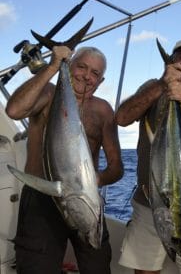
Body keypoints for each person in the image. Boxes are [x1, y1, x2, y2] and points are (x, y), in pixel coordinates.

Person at [5, 45, 124, 274]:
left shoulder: (102, 110)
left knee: (98, 266)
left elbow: (117, 167)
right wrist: (53, 66)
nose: (87, 77)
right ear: (70, 67)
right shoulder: (48, 94)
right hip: (43, 197)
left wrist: (91, 183)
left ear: (101, 81)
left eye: (95, 74)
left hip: (85, 200)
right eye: (81, 67)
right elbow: (14, 110)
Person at [116, 36, 181, 274]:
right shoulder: (152, 89)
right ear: (170, 64)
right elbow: (122, 118)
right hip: (147, 203)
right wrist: (163, 85)